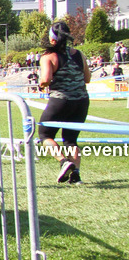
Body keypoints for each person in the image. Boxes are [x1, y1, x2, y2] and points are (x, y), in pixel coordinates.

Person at [38, 21, 90, 184]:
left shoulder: (48, 57)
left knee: (45, 134)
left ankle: (64, 162)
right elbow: (87, 78)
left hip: (60, 100)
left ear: (52, 39)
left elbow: (46, 79)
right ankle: (76, 175)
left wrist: (41, 85)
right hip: (81, 101)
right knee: (70, 139)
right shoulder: (79, 54)